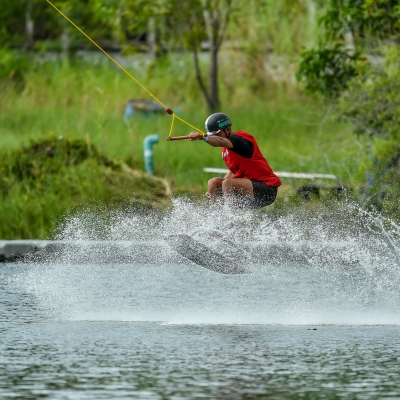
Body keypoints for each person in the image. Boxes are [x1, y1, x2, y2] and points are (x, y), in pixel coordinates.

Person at [189, 112, 281, 209]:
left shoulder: (240, 140)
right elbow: (234, 172)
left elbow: (219, 141)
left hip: (267, 190)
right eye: (213, 135)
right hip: (249, 189)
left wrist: (203, 137)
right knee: (213, 183)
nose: (215, 137)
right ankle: (218, 218)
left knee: (228, 184)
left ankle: (230, 220)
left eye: (218, 135)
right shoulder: (226, 150)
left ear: (228, 129)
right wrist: (215, 190)